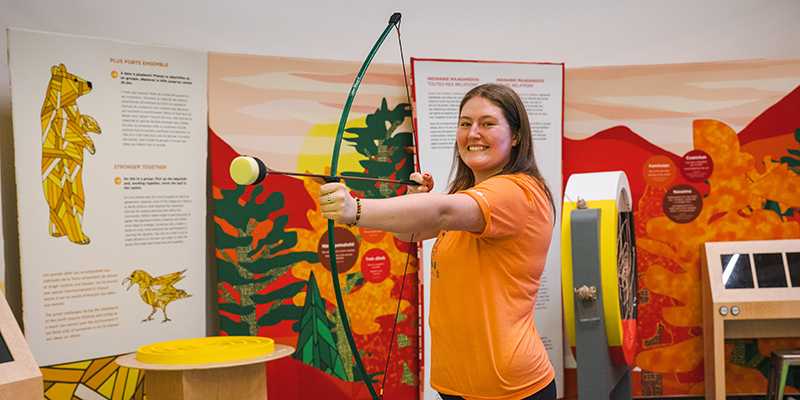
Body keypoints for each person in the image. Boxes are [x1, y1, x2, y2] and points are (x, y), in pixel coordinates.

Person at [319, 83, 556, 400]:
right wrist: (414, 200)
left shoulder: (517, 192)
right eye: (465, 123)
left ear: (515, 136)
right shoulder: (469, 198)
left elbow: (441, 212)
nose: (473, 133)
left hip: (507, 388)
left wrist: (355, 209)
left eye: (487, 123)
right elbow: (410, 234)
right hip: (455, 383)